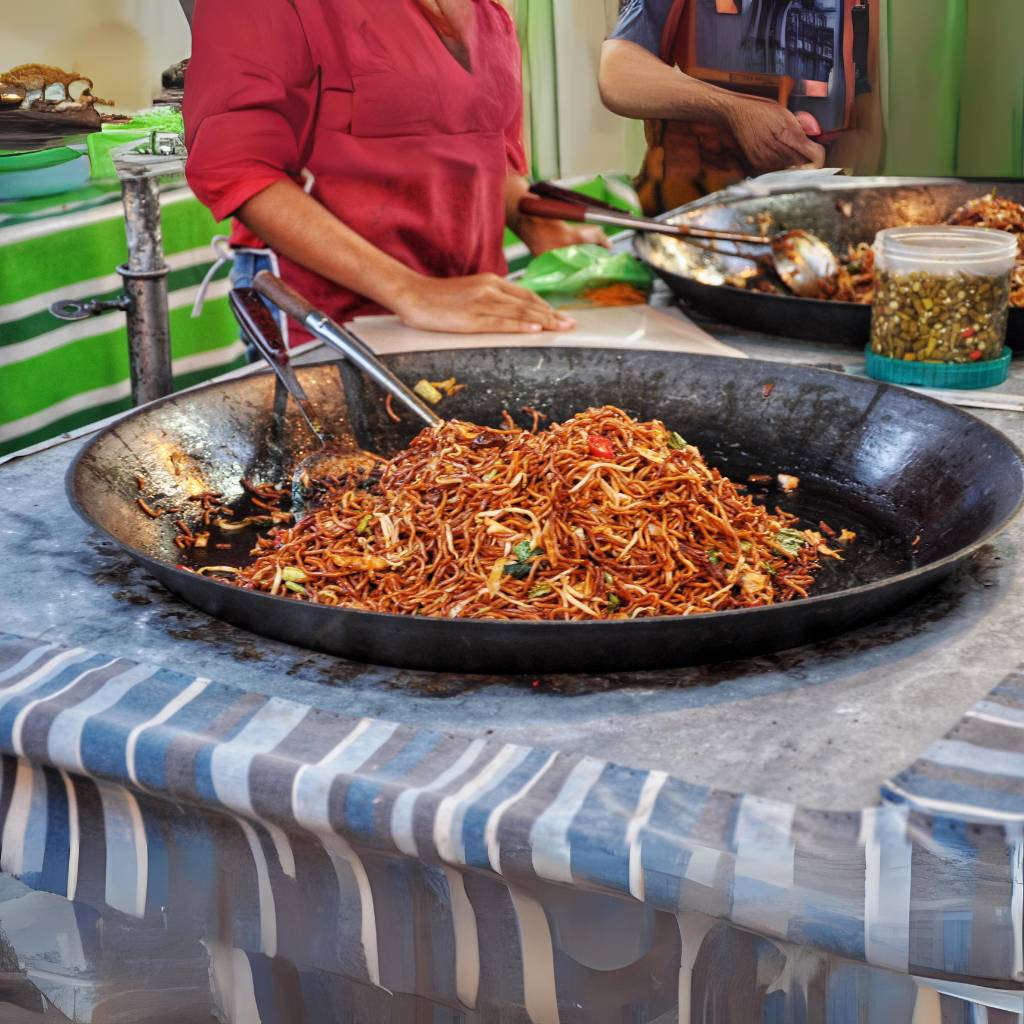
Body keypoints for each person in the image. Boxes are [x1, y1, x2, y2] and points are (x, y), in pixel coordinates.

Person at [182, 0, 605, 345]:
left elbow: (489, 148)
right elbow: (241, 170)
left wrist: (528, 215)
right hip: (323, 315)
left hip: (461, 311)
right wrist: (411, 291)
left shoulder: (487, 10)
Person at [600, 0, 874, 214]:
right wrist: (735, 110)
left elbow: (867, 127)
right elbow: (617, 74)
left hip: (808, 224)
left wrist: (821, 162)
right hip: (686, 223)